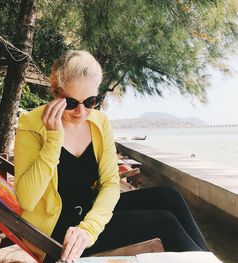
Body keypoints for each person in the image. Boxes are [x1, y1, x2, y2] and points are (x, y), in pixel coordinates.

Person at [14, 50, 208, 263]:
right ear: (56, 93)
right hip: (57, 228)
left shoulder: (99, 122)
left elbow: (110, 183)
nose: (81, 111)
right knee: (164, 222)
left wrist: (89, 228)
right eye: (71, 103)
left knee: (169, 196)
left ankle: (208, 260)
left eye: (90, 102)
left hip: (89, 214)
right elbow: (27, 200)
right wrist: (53, 141)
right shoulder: (31, 125)